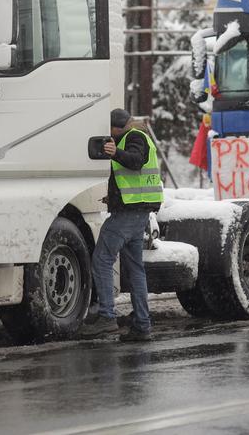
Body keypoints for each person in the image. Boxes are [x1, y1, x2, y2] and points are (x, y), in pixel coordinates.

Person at [78, 108, 164, 342]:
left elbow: (135, 162)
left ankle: (107, 317)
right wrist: (114, 198)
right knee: (135, 268)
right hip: (137, 212)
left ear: (115, 127)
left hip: (129, 215)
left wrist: (115, 152)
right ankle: (142, 324)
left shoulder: (134, 136)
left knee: (102, 260)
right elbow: (133, 179)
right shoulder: (134, 137)